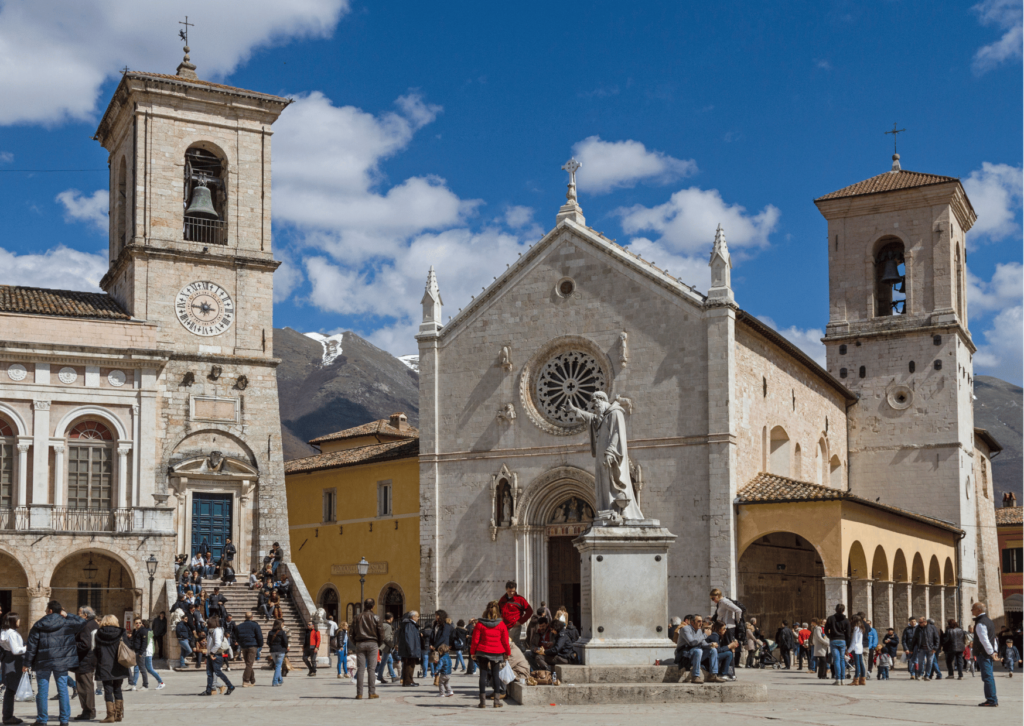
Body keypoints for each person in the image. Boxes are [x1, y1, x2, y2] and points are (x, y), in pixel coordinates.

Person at [23, 600, 86, 726]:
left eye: (46, 609)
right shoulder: (67, 622)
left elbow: (32, 646)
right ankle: (64, 720)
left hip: (42, 662)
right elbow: (83, 622)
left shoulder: (39, 624)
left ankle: (42, 719)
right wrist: (67, 614)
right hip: (61, 661)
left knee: (42, 691)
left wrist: (27, 663)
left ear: (50, 610)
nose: (45, 611)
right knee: (63, 690)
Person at [470, 601, 511, 708]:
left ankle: (482, 702)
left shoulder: (480, 624)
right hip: (497, 652)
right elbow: (505, 641)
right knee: (496, 675)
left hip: (482, 651)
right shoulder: (501, 624)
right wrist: (507, 653)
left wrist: (473, 652)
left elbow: (475, 640)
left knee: (483, 675)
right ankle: (496, 702)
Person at [92, 615, 129, 724]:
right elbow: (128, 646)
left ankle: (110, 715)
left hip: (104, 664)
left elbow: (96, 650)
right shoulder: (121, 632)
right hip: (119, 664)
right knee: (117, 688)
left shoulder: (98, 633)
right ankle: (118, 714)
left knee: (108, 690)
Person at [70, 606, 99, 721]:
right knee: (87, 685)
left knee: (84, 686)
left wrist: (72, 644)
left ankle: (88, 711)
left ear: (85, 615)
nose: (78, 616)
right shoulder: (94, 624)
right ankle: (88, 710)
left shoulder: (86, 626)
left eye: (79, 614)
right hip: (90, 659)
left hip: (84, 660)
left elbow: (85, 644)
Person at [351, 598, 383, 699]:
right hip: (372, 643)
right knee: (371, 669)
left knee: (360, 669)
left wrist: (356, 642)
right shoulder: (376, 617)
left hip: (360, 643)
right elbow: (381, 633)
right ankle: (371, 692)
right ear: (373, 606)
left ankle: (359, 693)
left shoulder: (357, 617)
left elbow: (351, 633)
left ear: (364, 605)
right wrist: (378, 643)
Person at [1, 612, 26, 726]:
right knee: (11, 690)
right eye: (18, 619)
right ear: (13, 621)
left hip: (7, 659)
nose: (19, 621)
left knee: (10, 690)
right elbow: (16, 650)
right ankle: (8, 716)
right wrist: (27, 648)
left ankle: (7, 715)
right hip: (14, 661)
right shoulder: (12, 634)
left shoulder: (4, 632)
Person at [971, 601, 998, 707]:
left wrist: (991, 652)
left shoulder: (980, 623)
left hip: (983, 653)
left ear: (979, 610)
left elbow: (985, 640)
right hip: (988, 652)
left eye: (973, 608)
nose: (971, 610)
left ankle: (991, 700)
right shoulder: (989, 621)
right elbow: (994, 639)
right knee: (989, 676)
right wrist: (994, 651)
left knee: (987, 677)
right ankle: (992, 699)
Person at [199, 616, 234, 696]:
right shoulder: (211, 631)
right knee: (209, 673)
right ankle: (208, 690)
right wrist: (207, 656)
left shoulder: (217, 631)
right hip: (211, 654)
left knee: (218, 672)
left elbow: (217, 644)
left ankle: (230, 686)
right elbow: (209, 645)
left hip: (216, 655)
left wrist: (211, 653)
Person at [497, 581, 533, 645]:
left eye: (513, 591)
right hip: (504, 627)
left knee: (514, 645)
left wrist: (520, 622)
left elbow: (529, 611)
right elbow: (498, 611)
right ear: (506, 589)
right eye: (509, 591)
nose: (511, 593)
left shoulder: (520, 599)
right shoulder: (502, 599)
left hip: (515, 627)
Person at [824, 603, 851, 686]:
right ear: (844, 610)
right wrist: (848, 645)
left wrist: (830, 636)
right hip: (842, 640)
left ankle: (838, 679)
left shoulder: (830, 618)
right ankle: (843, 679)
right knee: (842, 660)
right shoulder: (846, 620)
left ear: (835, 609)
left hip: (834, 640)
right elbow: (848, 634)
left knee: (836, 660)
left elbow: (825, 629)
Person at [235, 612, 263, 687]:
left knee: (248, 663)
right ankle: (245, 681)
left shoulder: (239, 626)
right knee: (249, 664)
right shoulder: (255, 625)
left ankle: (252, 680)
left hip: (244, 646)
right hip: (252, 645)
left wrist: (241, 643)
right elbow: (259, 636)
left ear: (245, 617)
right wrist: (260, 645)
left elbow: (236, 637)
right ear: (252, 617)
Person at [397, 611, 421, 686]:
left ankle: (409, 680)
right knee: (409, 666)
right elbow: (409, 638)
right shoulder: (409, 625)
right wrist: (411, 649)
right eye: (417, 616)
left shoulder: (409, 624)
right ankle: (408, 681)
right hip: (409, 649)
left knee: (409, 665)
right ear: (413, 617)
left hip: (409, 649)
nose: (418, 618)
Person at [376, 613, 397, 684]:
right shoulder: (388, 626)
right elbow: (387, 638)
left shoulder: (382, 625)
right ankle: (380, 676)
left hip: (383, 645)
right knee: (384, 662)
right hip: (386, 646)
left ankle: (393, 675)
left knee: (389, 661)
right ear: (391, 618)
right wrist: (392, 645)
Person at [267, 620, 289, 687]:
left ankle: (280, 680)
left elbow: (268, 642)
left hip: (273, 651)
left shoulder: (270, 632)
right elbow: (285, 642)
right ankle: (275, 681)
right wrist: (285, 648)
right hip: (280, 650)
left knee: (277, 665)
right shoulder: (282, 632)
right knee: (278, 666)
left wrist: (272, 646)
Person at [846, 615, 866, 686]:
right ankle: (863, 679)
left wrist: (848, 650)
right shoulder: (861, 628)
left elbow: (854, 641)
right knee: (861, 663)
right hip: (860, 647)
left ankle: (856, 679)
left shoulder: (856, 628)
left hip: (855, 648)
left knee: (857, 664)